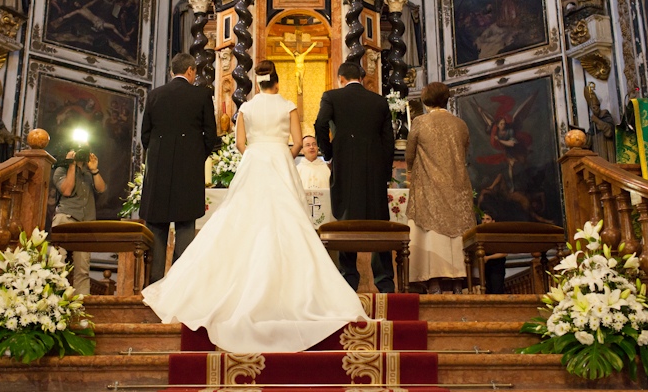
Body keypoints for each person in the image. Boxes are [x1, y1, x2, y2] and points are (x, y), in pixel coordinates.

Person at [141, 60, 369, 352]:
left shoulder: (245, 108)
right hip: (280, 161)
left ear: (258, 82)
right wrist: (284, 156)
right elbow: (298, 142)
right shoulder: (288, 105)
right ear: (276, 80)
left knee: (241, 222)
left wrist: (257, 154)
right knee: (286, 223)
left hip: (254, 162)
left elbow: (239, 144)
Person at [315, 62, 395, 293]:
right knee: (379, 220)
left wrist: (329, 153)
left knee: (345, 219)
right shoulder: (379, 101)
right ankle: (385, 280)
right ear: (361, 77)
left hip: (345, 164)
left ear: (341, 78)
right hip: (374, 168)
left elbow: (320, 124)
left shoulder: (331, 97)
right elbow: (388, 140)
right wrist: (385, 170)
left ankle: (349, 277)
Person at [140, 53, 218, 282]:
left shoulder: (154, 95)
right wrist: (195, 158)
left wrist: (158, 158)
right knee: (185, 230)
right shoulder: (202, 95)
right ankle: (179, 287)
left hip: (158, 173)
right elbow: (210, 136)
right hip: (188, 174)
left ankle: (153, 288)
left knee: (156, 231)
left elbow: (145, 135)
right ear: (191, 70)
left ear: (172, 71)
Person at [404, 82, 475, 295]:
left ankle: (433, 280)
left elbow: (409, 153)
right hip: (457, 186)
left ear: (425, 100)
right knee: (455, 234)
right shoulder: (460, 124)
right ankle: (457, 281)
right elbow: (464, 151)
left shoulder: (420, 122)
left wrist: (410, 170)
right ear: (447, 99)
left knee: (431, 233)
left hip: (429, 186)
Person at [52, 146, 106, 295]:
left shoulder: (89, 174)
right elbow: (67, 190)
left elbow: (101, 188)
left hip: (85, 223)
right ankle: (54, 300)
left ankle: (82, 305)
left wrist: (94, 170)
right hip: (66, 217)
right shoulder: (60, 170)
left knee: (83, 269)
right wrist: (71, 164)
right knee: (57, 263)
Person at [480, 212, 507, 294]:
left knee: (497, 291)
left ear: (493, 221)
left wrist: (488, 258)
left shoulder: (498, 234)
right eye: (483, 219)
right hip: (485, 268)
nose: (485, 221)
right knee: (488, 292)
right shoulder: (480, 234)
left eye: (487, 219)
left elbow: (504, 252)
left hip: (497, 268)